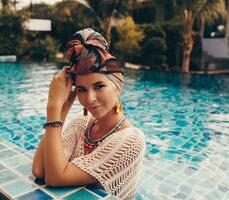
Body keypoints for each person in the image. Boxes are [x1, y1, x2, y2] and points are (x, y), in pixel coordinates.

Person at [32, 28, 145, 200]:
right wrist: (62, 110)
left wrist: (52, 107)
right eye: (82, 90)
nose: (90, 99)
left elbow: (56, 177)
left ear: (119, 84)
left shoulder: (131, 140)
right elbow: (40, 170)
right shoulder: (81, 123)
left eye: (99, 86)